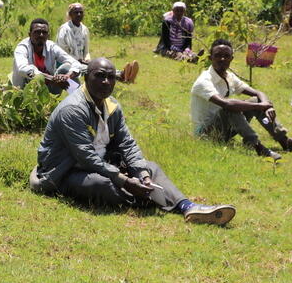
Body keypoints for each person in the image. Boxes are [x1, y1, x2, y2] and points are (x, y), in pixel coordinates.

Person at [30, 58, 235, 225]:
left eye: (111, 78)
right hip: (63, 171)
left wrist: (142, 175)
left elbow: (127, 144)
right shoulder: (73, 110)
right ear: (86, 78)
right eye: (99, 77)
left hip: (101, 164)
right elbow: (86, 158)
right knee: (101, 184)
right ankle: (146, 198)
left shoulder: (112, 107)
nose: (106, 83)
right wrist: (125, 179)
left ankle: (188, 207)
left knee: (150, 168)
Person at [191, 39, 292, 160]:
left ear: (231, 59)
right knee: (230, 108)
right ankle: (258, 147)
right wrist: (261, 106)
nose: (222, 59)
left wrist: (266, 105)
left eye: (226, 56)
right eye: (217, 55)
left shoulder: (229, 76)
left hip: (224, 129)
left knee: (254, 100)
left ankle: (286, 142)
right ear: (210, 57)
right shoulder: (203, 81)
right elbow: (226, 105)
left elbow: (258, 93)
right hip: (206, 135)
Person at [55, 2, 140, 84]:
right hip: (66, 63)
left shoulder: (84, 29)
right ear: (70, 14)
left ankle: (124, 75)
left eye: (81, 12)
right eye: (76, 12)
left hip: (80, 62)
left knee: (97, 65)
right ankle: (121, 75)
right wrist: (78, 60)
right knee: (96, 68)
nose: (79, 15)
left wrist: (87, 59)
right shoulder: (64, 29)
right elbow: (62, 53)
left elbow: (86, 50)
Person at [11, 18, 85, 93]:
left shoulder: (51, 46)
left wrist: (67, 76)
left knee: (66, 68)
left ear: (48, 35)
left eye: (44, 32)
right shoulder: (22, 47)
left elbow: (76, 64)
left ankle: (78, 98)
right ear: (30, 34)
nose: (41, 35)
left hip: (49, 89)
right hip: (26, 91)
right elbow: (22, 69)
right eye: (37, 32)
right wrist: (52, 78)